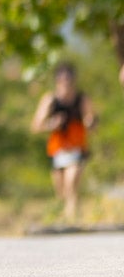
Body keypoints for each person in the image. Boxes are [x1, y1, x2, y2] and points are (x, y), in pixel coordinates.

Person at [30, 62, 97, 224]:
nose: (66, 84)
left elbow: (92, 120)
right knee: (61, 191)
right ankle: (65, 217)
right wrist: (52, 124)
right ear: (57, 81)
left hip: (77, 148)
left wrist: (90, 122)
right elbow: (35, 126)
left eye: (69, 80)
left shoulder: (82, 99)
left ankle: (72, 220)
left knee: (71, 183)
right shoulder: (50, 100)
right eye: (62, 80)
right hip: (57, 150)